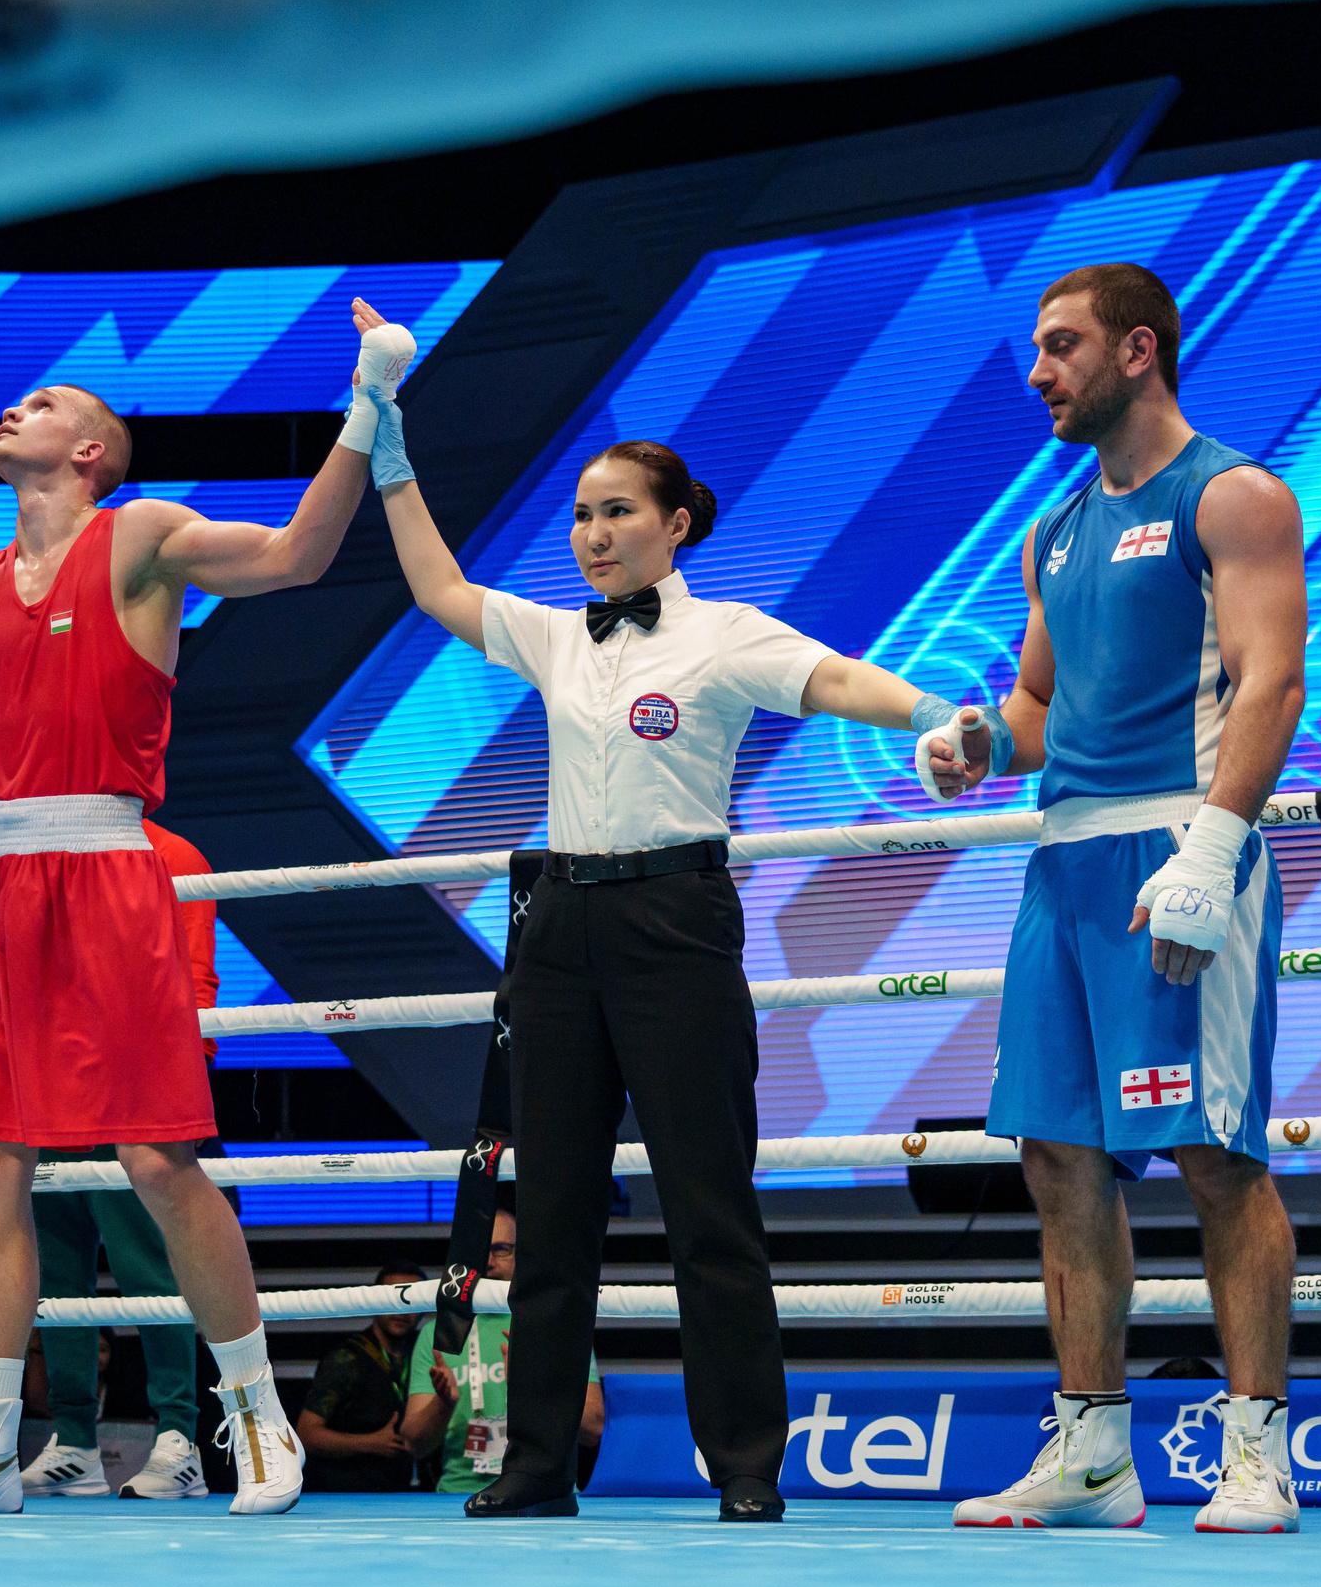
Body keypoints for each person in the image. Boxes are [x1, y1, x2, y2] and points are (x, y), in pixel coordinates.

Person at [0, 299, 417, 1517]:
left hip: (111, 871)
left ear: (90, 451)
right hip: (5, 884)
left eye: (46, 403)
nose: (16, 409)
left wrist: (370, 398)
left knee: (155, 1157)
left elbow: (298, 556)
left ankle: (256, 1418)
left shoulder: (140, 535)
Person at [364, 395, 936, 1523]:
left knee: (707, 1208)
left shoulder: (725, 632)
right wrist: (385, 442)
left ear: (675, 525)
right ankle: (533, 1464)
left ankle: (744, 1468)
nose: (592, 532)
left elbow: (837, 681)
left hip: (676, 920)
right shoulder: (552, 635)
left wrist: (932, 717)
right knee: (556, 1210)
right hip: (557, 929)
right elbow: (437, 588)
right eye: (580, 515)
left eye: (616, 511)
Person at [928, 264, 1307, 1535]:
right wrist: (983, 742)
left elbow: (1269, 686)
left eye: (1060, 346)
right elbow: (1039, 712)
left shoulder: (1234, 495)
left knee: (1213, 1156)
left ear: (1138, 351)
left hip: (1178, 853)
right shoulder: (1052, 531)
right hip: (1063, 865)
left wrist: (1210, 851)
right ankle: (1090, 1454)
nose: (1037, 371)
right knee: (1057, 1159)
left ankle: (1256, 1453)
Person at [19, 817, 225, 1501]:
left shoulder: (173, 852)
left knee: (151, 1269)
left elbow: (195, 975)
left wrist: (178, 1087)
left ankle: (180, 1437)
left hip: (136, 1089)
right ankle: (74, 1437)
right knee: (58, 1272)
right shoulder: (40, 851)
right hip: (52, 1083)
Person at [400, 1211, 601, 1500]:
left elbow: (593, 1428)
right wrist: (444, 1404)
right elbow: (413, 1443)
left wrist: (531, 1387)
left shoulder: (556, 1326)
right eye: (479, 1250)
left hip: (543, 1494)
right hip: (459, 1495)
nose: (488, 1261)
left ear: (523, 1253)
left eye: (501, 1249)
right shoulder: (438, 1333)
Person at [295, 1261, 428, 1493]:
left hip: (402, 1495)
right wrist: (371, 1443)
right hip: (346, 1496)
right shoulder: (346, 1359)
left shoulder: (425, 1351)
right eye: (392, 1298)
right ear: (374, 1301)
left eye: (411, 1300)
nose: (401, 1309)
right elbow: (305, 1435)